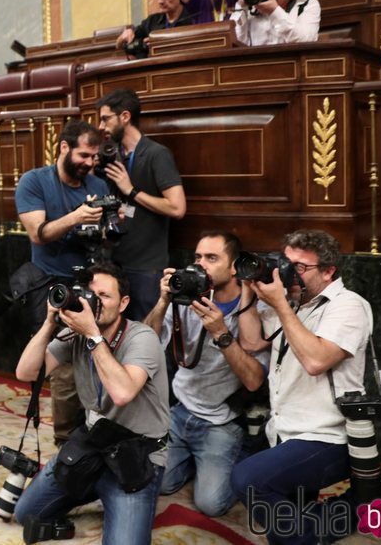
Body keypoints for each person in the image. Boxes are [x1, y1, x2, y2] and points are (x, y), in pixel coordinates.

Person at [12, 262, 169, 545]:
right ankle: (93, 485)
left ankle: (107, 490)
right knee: (26, 513)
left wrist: (94, 337)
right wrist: (50, 323)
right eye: (90, 293)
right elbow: (25, 373)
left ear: (123, 303)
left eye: (104, 296)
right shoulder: (74, 335)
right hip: (93, 443)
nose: (94, 301)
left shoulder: (142, 338)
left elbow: (122, 393)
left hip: (136, 452)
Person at [232, 229, 372, 544]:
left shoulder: (349, 306)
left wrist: (281, 305)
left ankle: (355, 506)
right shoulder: (294, 303)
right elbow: (252, 341)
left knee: (247, 480)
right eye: (287, 262)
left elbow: (316, 360)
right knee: (281, 529)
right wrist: (248, 287)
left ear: (328, 271)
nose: (291, 273)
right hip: (283, 433)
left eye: (301, 267)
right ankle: (350, 508)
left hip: (329, 437)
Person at [143, 231, 267, 516]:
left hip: (221, 421)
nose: (200, 265)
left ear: (234, 266)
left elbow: (253, 380)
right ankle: (192, 461)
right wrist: (163, 301)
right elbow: (146, 347)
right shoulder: (186, 296)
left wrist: (221, 333)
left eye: (212, 258)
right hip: (179, 411)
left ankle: (246, 454)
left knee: (211, 504)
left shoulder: (252, 310)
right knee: (153, 482)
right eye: (197, 257)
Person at [14, 119, 111, 445]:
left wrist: (109, 226)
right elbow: (37, 234)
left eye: (95, 157)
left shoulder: (98, 186)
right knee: (64, 371)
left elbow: (106, 236)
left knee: (98, 359)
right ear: (64, 147)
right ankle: (65, 440)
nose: (90, 163)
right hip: (52, 283)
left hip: (93, 281)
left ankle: (93, 432)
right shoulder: (34, 181)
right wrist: (76, 218)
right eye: (84, 155)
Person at [96, 88, 186, 322]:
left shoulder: (156, 154)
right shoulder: (113, 156)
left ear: (124, 117)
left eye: (106, 119)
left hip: (146, 268)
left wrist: (131, 190)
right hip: (113, 264)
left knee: (148, 337)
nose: (101, 126)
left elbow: (177, 208)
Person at [115, 0, 194, 55]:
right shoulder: (152, 21)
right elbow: (120, 46)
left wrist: (160, 43)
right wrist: (124, 36)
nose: (160, 1)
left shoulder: (193, 21)